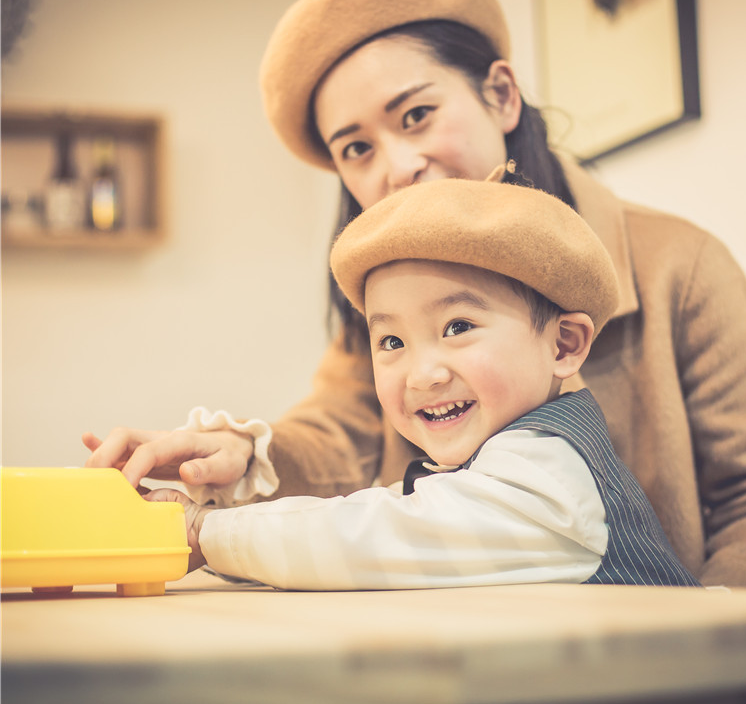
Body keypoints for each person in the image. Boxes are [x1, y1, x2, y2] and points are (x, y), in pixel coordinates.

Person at [83, 0, 746, 588]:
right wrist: (241, 451)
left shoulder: (684, 264)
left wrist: (710, 645)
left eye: (416, 115)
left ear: (501, 95)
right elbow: (337, 436)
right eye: (356, 149)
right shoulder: (387, 296)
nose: (398, 168)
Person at [144, 176, 701, 589]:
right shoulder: (500, 464)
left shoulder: (547, 478)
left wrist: (201, 530)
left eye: (458, 326)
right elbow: (383, 504)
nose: (423, 373)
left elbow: (369, 537)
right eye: (391, 342)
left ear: (564, 345)